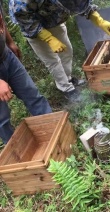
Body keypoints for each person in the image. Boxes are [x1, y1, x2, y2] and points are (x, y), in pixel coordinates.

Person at [9, 0, 110, 102]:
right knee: (52, 60)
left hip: (52, 19)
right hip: (32, 24)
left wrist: (98, 19)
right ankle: (65, 88)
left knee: (67, 50)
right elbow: (24, 17)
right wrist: (49, 38)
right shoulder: (21, 2)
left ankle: (68, 79)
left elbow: (78, 2)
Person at [0, 0, 52, 145]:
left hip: (7, 57)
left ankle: (53, 134)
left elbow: (1, 21)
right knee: (2, 120)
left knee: (33, 96)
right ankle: (18, 155)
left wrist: (9, 42)